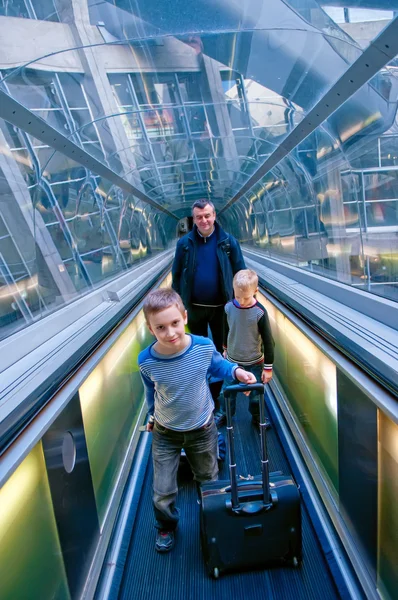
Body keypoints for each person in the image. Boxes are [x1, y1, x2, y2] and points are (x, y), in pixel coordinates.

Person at [138, 287, 256, 553]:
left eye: (175, 323)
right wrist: (151, 416)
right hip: (166, 433)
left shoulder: (202, 347)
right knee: (163, 488)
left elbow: (219, 366)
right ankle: (166, 525)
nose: (170, 333)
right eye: (161, 328)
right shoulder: (146, 361)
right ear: (150, 329)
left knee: (208, 478)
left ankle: (212, 518)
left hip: (202, 429)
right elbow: (151, 391)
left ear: (185, 317)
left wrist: (238, 372)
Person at [171, 199, 246, 405]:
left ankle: (218, 395)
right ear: (193, 219)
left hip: (222, 309)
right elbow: (176, 276)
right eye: (198, 217)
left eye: (207, 216)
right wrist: (177, 304)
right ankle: (202, 392)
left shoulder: (228, 242)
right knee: (196, 350)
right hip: (193, 308)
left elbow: (241, 271)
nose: (203, 220)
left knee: (223, 350)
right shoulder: (184, 244)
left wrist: (243, 303)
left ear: (214, 216)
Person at [214, 269, 274, 428]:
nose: (240, 301)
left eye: (246, 297)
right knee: (226, 392)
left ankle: (256, 416)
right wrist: (225, 348)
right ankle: (226, 414)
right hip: (232, 361)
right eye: (237, 296)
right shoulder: (228, 308)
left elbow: (269, 342)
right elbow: (226, 329)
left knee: (255, 394)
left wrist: (268, 368)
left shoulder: (259, 313)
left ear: (255, 291)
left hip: (254, 361)